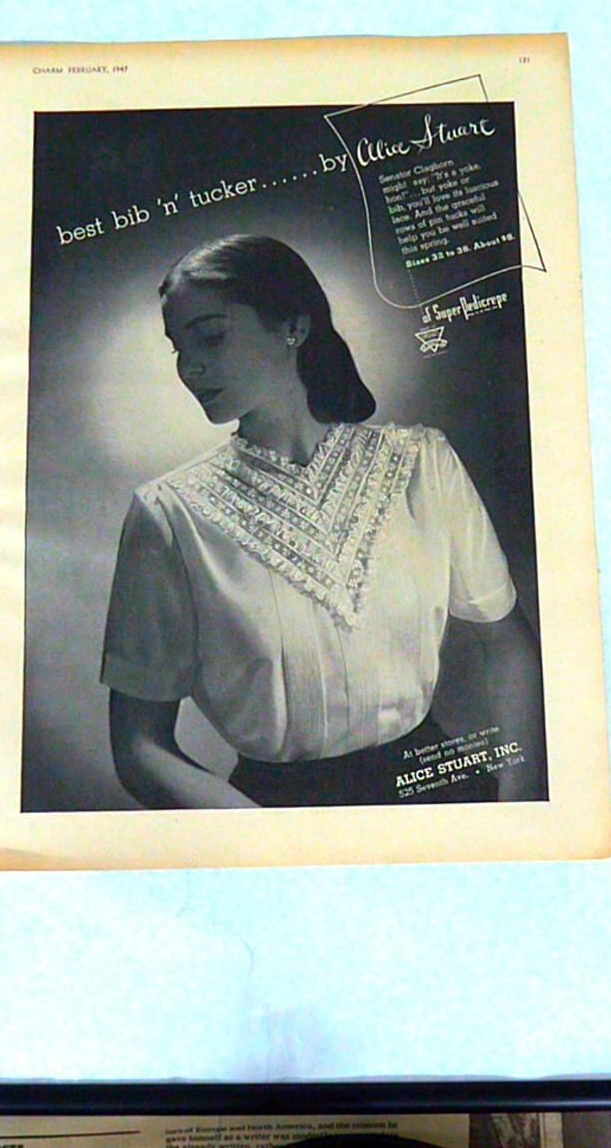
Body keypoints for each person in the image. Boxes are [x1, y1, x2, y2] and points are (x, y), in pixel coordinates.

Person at [102, 235, 546, 810]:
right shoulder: (170, 513)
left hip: (442, 796)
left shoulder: (421, 462)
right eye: (177, 348)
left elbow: (507, 645)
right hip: (275, 814)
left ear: (293, 327)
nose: (191, 368)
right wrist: (270, 844)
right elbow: (139, 746)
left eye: (210, 336)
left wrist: (520, 803)